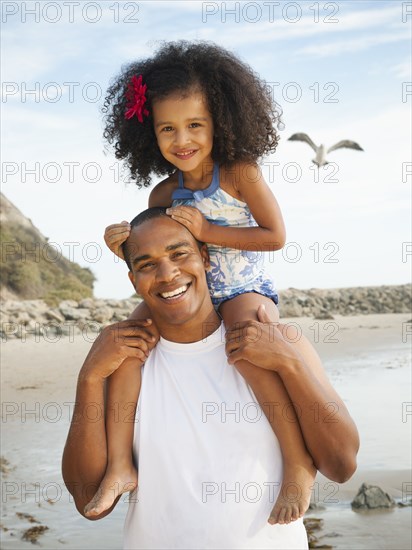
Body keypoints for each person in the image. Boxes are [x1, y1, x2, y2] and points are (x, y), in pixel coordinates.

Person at [85, 40, 338, 523]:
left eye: (195, 124)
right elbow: (157, 250)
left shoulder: (239, 174)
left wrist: (208, 231)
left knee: (246, 344)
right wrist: (124, 244)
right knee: (126, 343)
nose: (182, 138)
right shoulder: (163, 191)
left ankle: (298, 461)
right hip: (191, 290)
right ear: (150, 133)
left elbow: (275, 236)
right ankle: (120, 463)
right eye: (167, 128)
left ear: (220, 120)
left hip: (242, 287)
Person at [62, 209, 359, 549]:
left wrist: (291, 364)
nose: (167, 274)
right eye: (146, 264)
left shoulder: (275, 344)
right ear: (133, 280)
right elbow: (88, 500)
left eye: (179, 254)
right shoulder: (124, 362)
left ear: (205, 258)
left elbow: (341, 465)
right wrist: (88, 377)